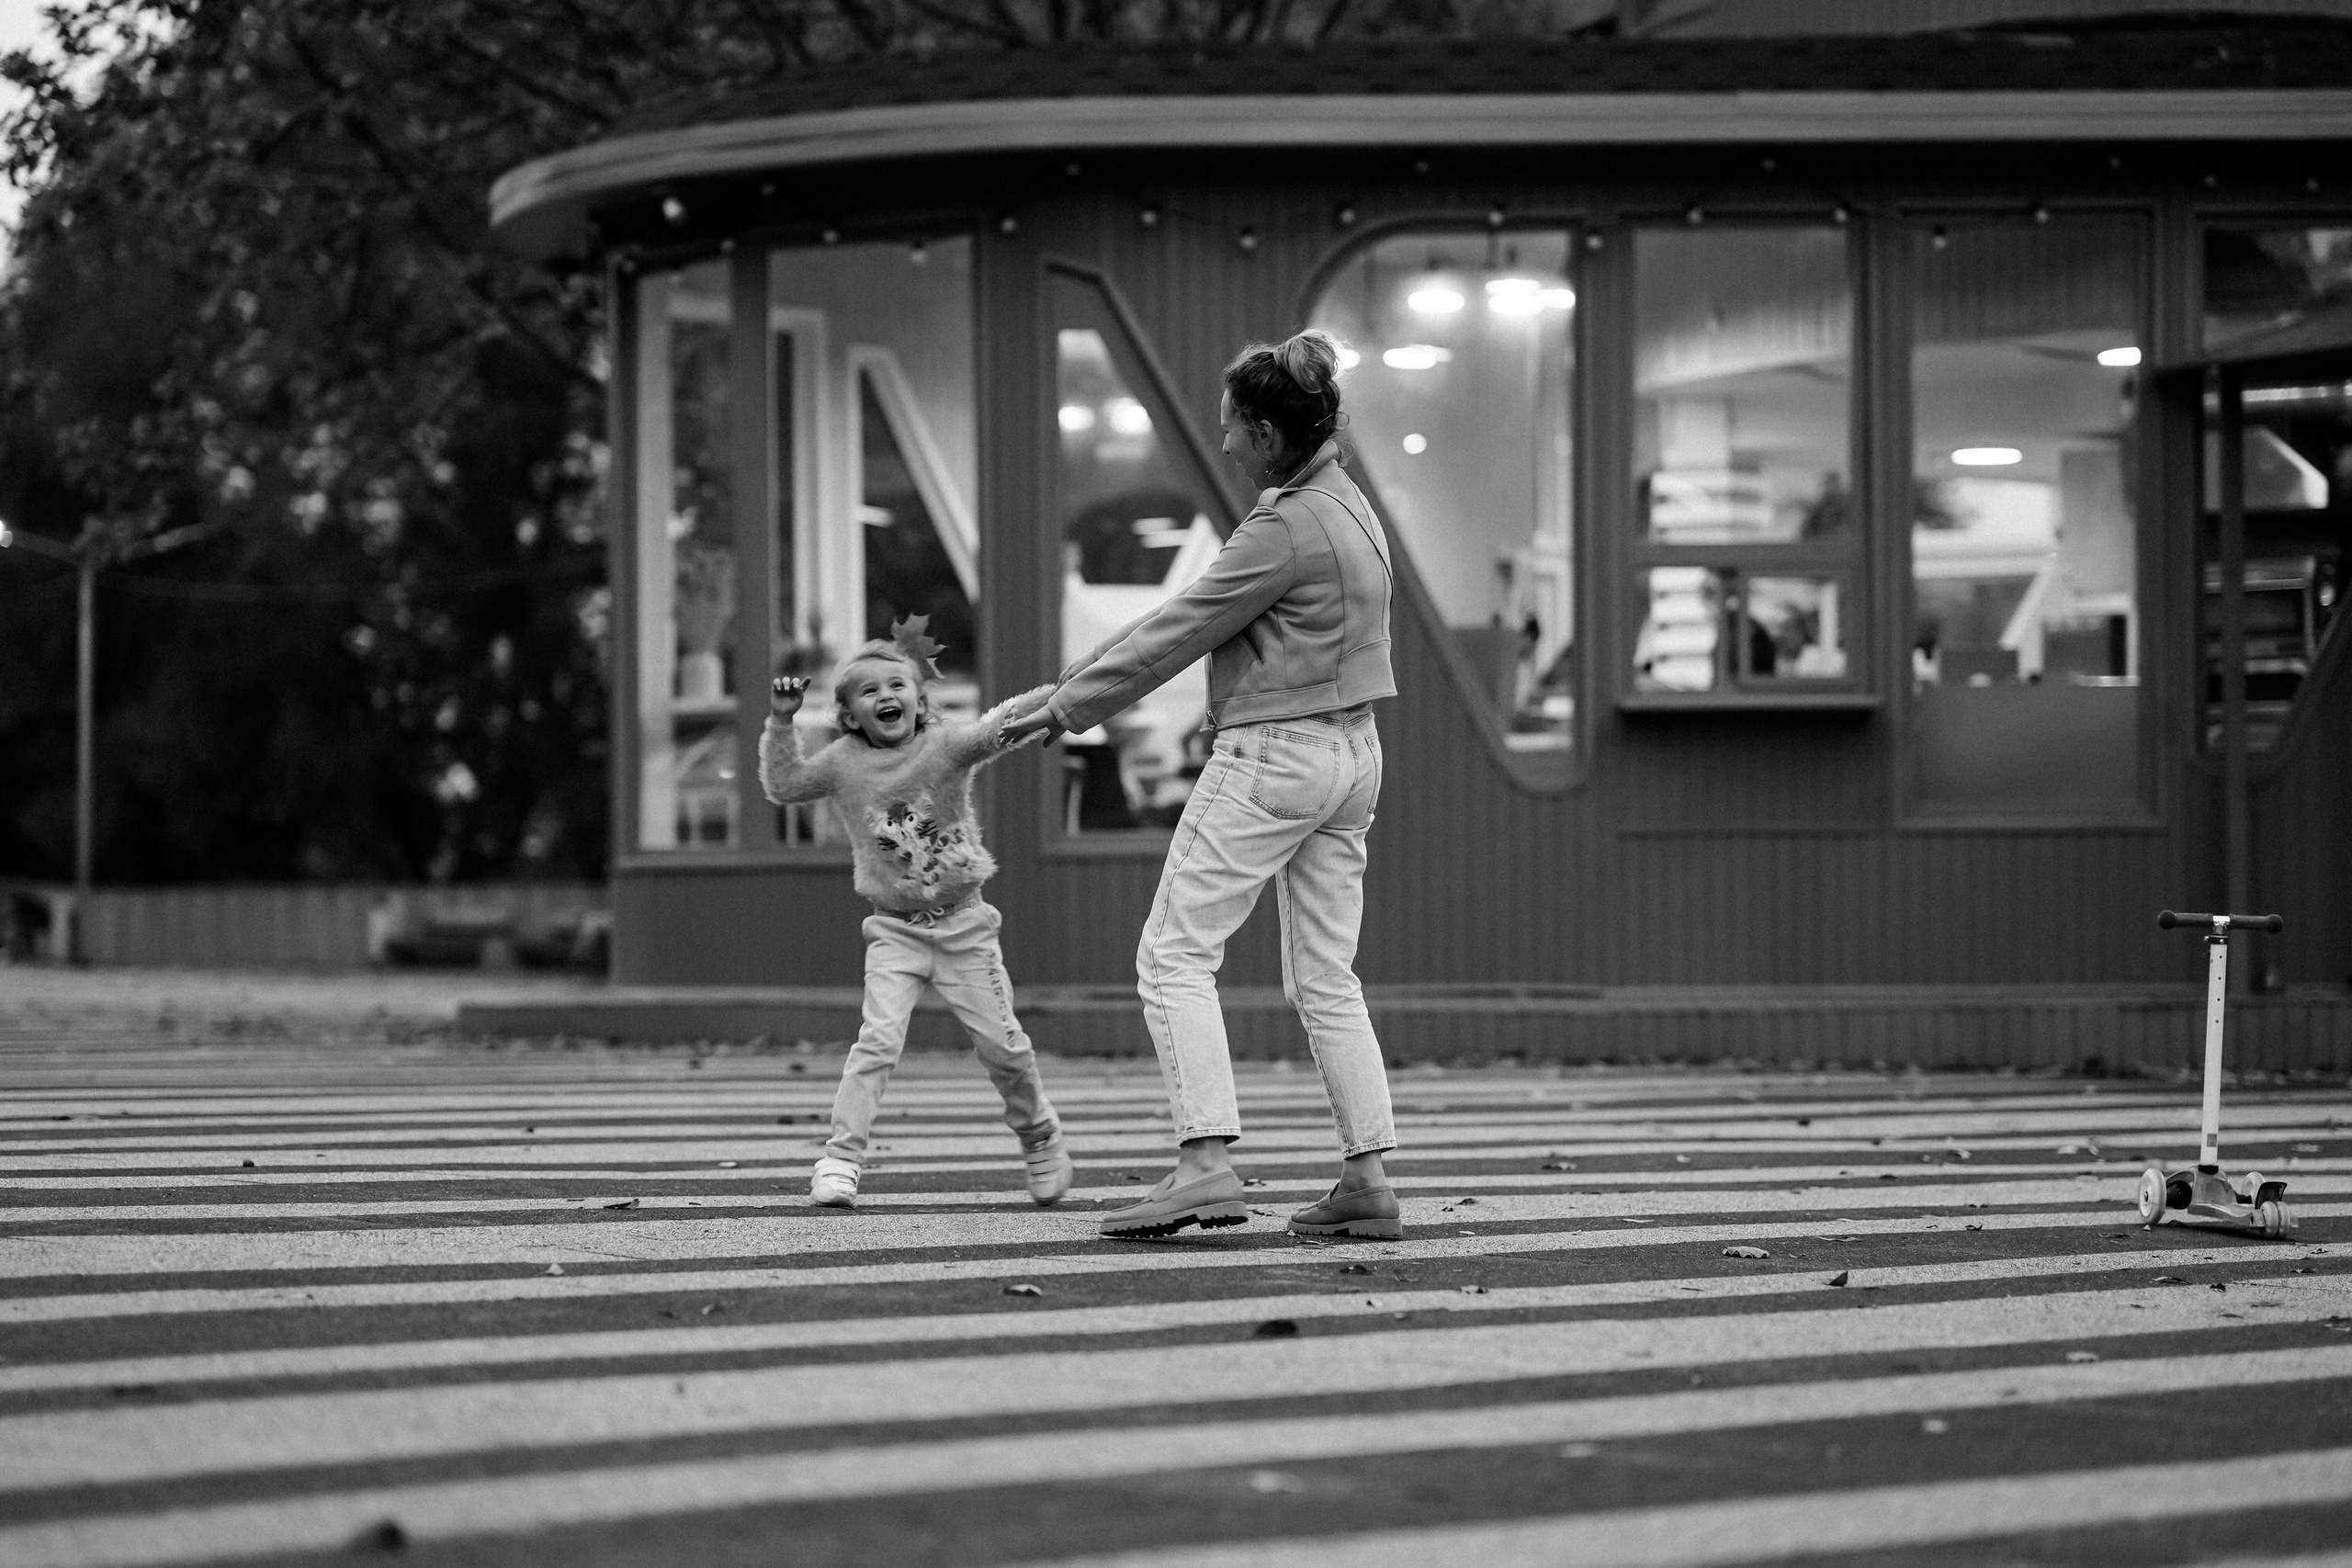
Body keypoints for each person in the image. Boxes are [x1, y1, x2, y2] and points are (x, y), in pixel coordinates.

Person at [1001, 328, 1403, 1242]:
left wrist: (1066, 711)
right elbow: (1182, 619)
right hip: (1353, 757)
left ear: (1265, 432)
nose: (1222, 443)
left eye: (1230, 426)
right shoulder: (1351, 510)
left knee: (1174, 957)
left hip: (1274, 757)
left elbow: (1179, 626)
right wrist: (1063, 692)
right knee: (1326, 978)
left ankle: (1203, 1163)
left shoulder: (1281, 526)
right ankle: (1366, 1175)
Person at [761, 617, 1069, 1211]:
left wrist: (1065, 691)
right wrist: (781, 721)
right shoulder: (841, 762)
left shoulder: (944, 747)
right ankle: (841, 1158)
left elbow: (1000, 727)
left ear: (920, 699)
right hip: (894, 930)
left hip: (965, 924)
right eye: (870, 691)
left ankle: (1040, 1137)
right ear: (850, 715)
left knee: (1002, 1047)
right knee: (876, 1041)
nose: (887, 696)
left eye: (897, 685)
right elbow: (784, 784)